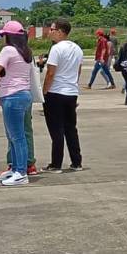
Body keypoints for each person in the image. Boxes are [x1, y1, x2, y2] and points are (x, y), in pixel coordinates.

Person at [0, 21, 35, 186]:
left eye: (3, 35)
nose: (2, 38)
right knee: (15, 135)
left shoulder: (8, 50)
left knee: (16, 136)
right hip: (23, 95)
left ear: (9, 37)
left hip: (12, 96)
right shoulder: (26, 52)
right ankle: (16, 168)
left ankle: (21, 172)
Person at [41, 18, 83, 172]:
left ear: (60, 31)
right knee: (71, 128)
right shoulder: (77, 48)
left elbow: (51, 73)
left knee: (56, 129)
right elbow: (78, 71)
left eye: (52, 29)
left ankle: (56, 164)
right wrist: (73, 86)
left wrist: (44, 91)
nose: (49, 32)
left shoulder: (56, 49)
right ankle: (76, 161)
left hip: (56, 92)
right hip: (71, 93)